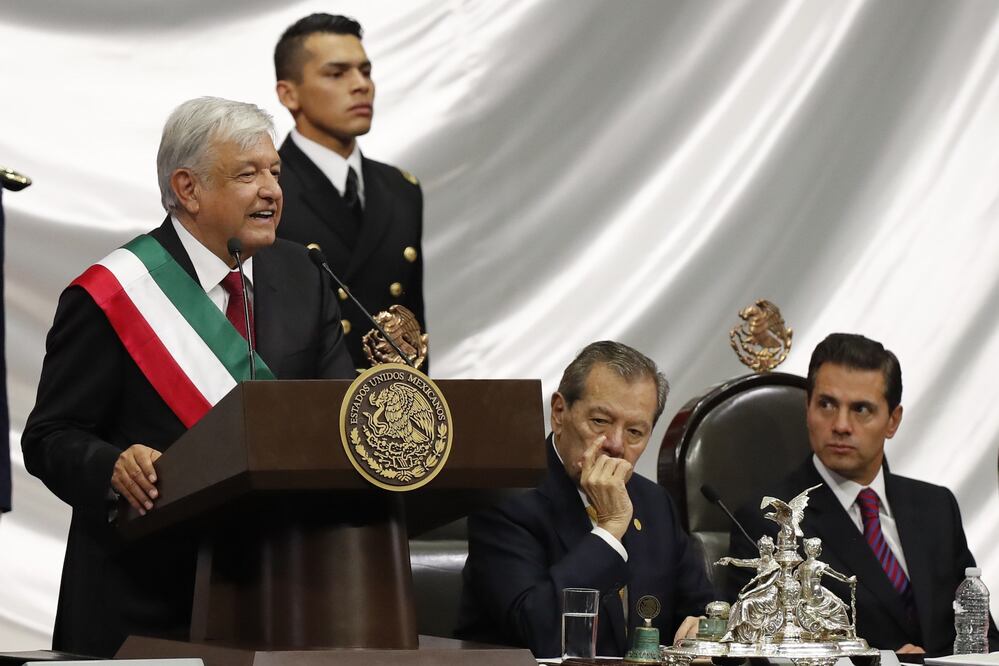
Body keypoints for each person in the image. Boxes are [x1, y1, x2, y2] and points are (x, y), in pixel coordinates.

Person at [21, 96, 354, 658]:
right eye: (247, 175)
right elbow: (50, 436)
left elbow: (336, 410)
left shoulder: (303, 274)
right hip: (143, 601)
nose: (271, 190)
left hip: (277, 591)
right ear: (187, 188)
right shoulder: (113, 293)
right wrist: (111, 465)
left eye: (275, 172)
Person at [728, 333, 999, 655]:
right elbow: (763, 649)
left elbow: (981, 636)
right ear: (808, 408)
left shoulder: (937, 507)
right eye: (827, 405)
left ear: (892, 421)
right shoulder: (772, 520)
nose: (841, 424)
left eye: (861, 409)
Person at [457, 341, 715, 658]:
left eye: (635, 431)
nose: (616, 445)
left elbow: (702, 609)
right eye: (600, 422)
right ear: (559, 413)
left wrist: (705, 628)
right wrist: (609, 530)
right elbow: (539, 632)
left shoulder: (654, 503)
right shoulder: (504, 500)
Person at [273, 13, 427, 372]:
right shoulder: (266, 188)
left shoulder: (401, 189)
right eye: (336, 73)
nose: (361, 85)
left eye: (366, 71)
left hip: (389, 406)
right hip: (302, 406)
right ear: (288, 93)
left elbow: (412, 327)